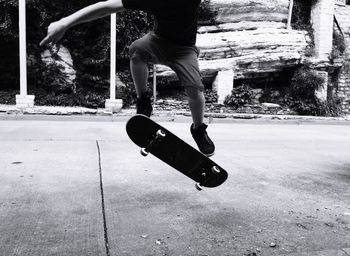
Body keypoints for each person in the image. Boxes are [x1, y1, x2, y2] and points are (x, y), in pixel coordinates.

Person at [40, 0, 215, 156]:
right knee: (137, 49)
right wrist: (65, 23)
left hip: (184, 50)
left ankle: (198, 129)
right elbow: (106, 7)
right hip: (157, 41)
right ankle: (143, 99)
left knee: (195, 87)